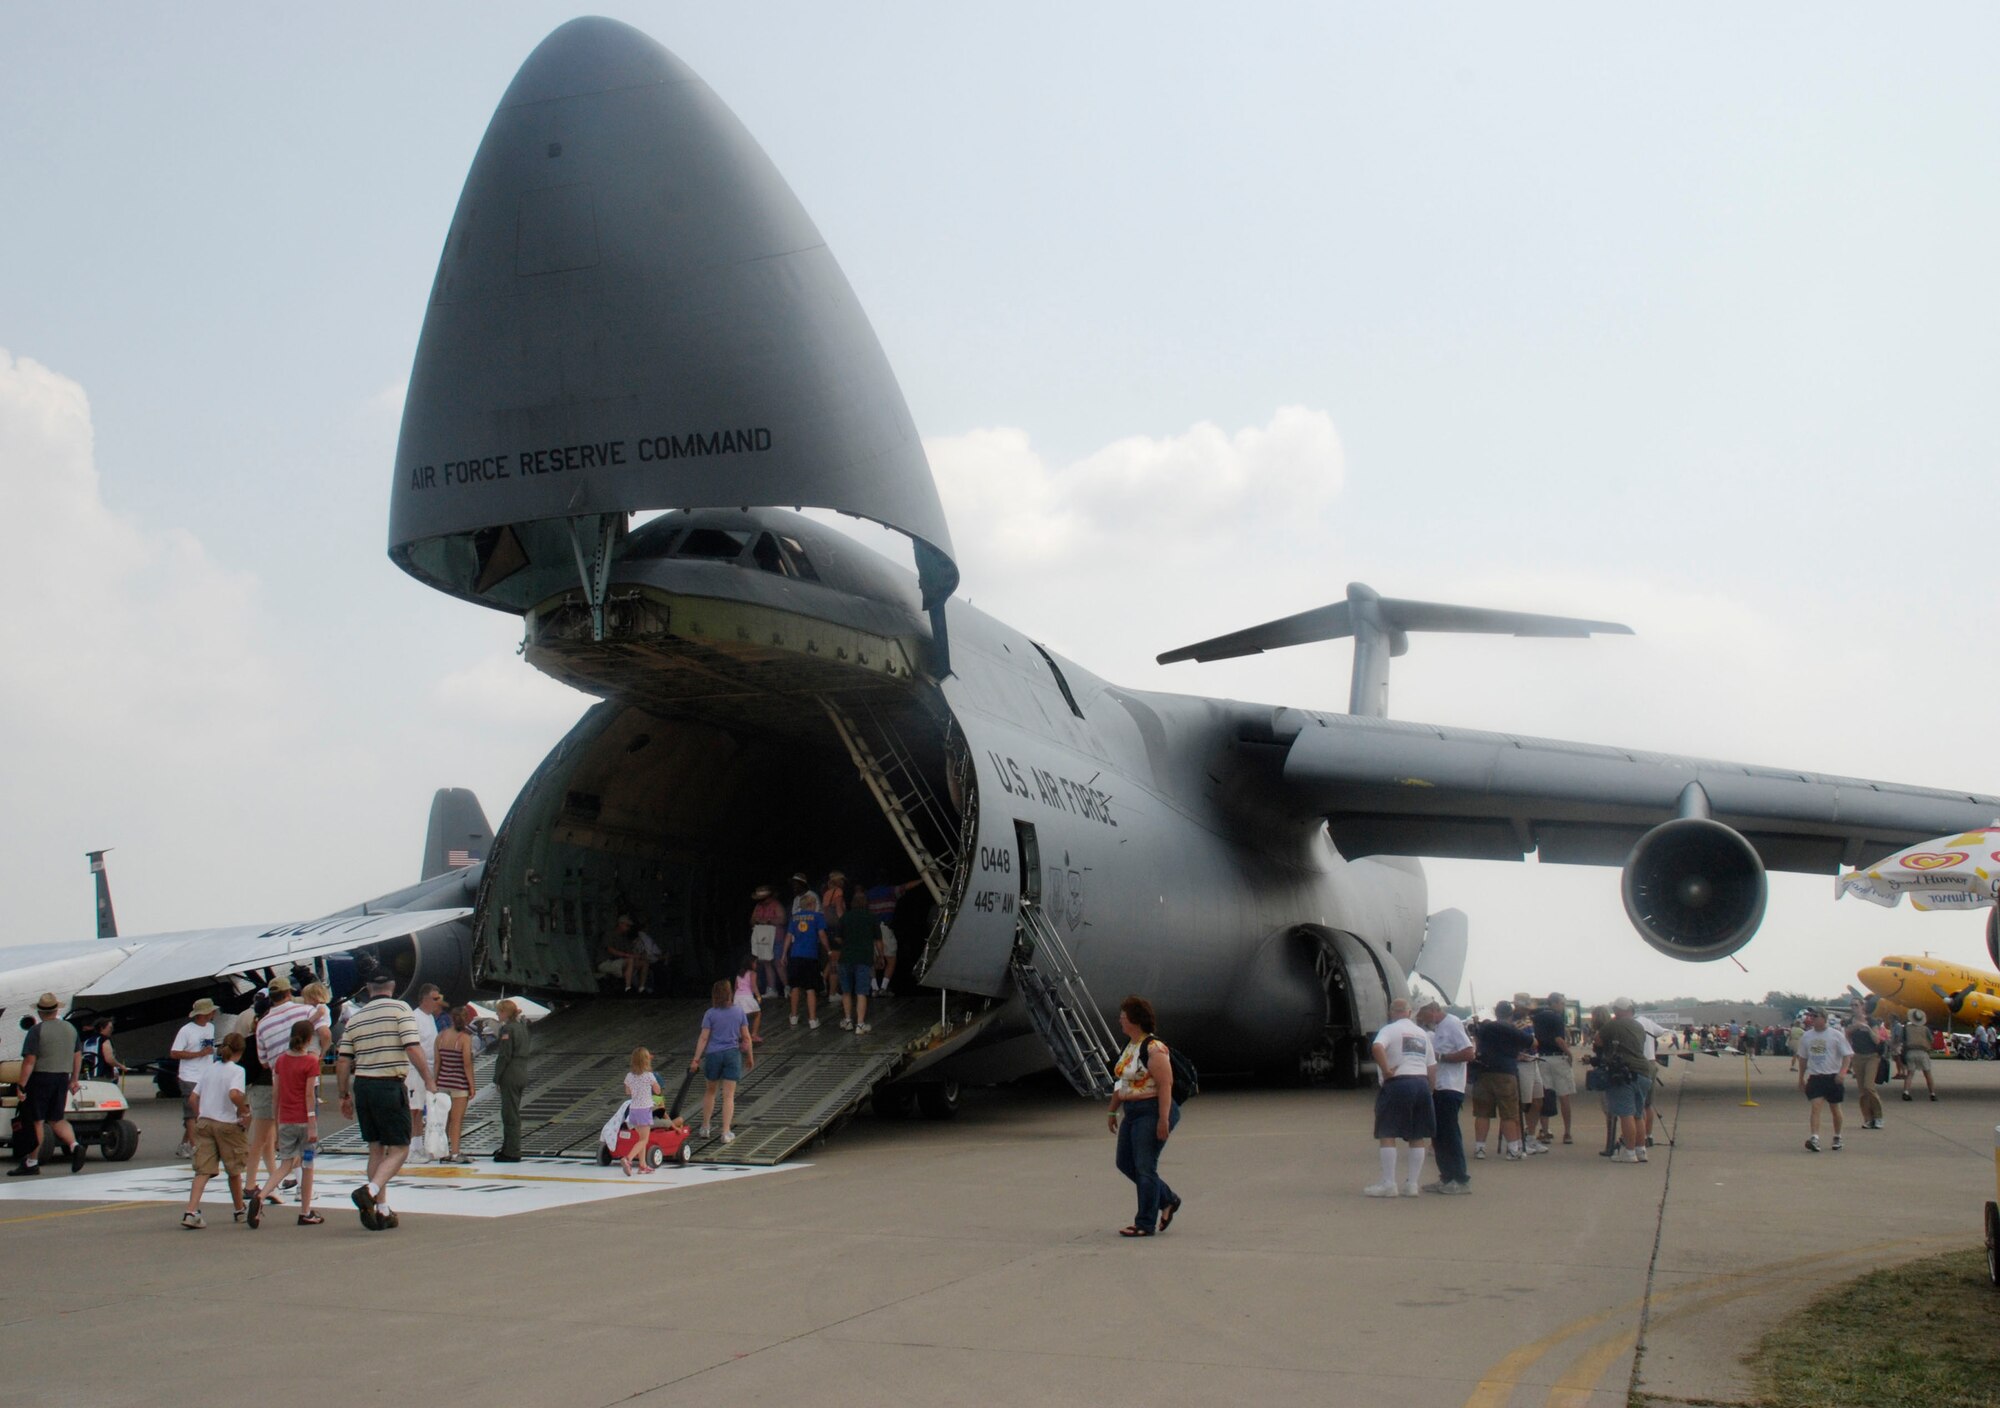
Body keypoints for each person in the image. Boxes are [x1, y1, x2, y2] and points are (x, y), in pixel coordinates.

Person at [334, 969, 434, 1230]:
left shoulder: (356, 1018)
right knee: (400, 1148)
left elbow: (344, 1060)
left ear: (368, 988)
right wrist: (429, 1079)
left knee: (376, 1148)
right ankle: (370, 1190)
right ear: (392, 986)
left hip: (363, 1085)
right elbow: (412, 1046)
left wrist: (343, 1094)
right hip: (389, 1084)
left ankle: (381, 1208)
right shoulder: (401, 1009)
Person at [1106, 995, 1180, 1236]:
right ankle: (1167, 1199)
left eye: (1123, 1017)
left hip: (1151, 1109)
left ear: (1135, 1020)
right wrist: (1112, 1110)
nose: (1120, 1020)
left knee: (1145, 1166)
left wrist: (1163, 1118)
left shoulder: (1154, 1048)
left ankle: (1145, 1223)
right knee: (1125, 1162)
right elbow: (1123, 1082)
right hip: (1133, 1111)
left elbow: (1165, 1085)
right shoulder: (1130, 1046)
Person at [250, 1020, 323, 1227]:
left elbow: (276, 1094)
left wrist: (277, 1119)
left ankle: (262, 1195)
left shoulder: (281, 1061)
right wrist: (311, 1121)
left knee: (285, 1164)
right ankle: (305, 1211)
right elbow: (309, 1094)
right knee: (307, 1164)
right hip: (303, 1120)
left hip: (285, 1120)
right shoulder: (310, 1062)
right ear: (309, 1039)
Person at [1367, 997, 1437, 1197]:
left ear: (1391, 1013)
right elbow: (1432, 1066)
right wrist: (1430, 1089)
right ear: (1409, 1012)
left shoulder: (1390, 1029)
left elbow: (1377, 1047)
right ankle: (1412, 1184)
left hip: (1399, 1082)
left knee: (1387, 1132)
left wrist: (1386, 1070)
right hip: (1421, 1083)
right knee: (1417, 1134)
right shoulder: (1422, 1034)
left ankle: (1389, 1183)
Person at [181, 1031, 251, 1229]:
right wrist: (243, 1110)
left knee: (202, 1170)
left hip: (205, 1121)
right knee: (234, 1169)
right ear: (240, 1051)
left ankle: (191, 1211)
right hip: (226, 1122)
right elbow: (234, 1093)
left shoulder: (210, 1069)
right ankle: (239, 1210)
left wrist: (200, 1114)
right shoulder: (237, 1071)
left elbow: (193, 1098)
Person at [9, 994, 85, 1176]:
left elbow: (29, 1061)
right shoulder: (70, 1029)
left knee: (37, 1120)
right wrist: (74, 1079)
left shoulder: (37, 1031)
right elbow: (77, 1056)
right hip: (61, 1077)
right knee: (57, 1118)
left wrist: (21, 1085)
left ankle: (32, 1161)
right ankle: (75, 1146)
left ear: (40, 1011)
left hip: (41, 1078)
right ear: (57, 1009)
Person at [1417, 996, 1474, 1194]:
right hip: (1440, 1087)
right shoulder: (1439, 1028)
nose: (1421, 1019)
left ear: (1432, 1010)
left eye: (1422, 1014)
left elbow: (1469, 1053)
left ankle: (1460, 1178)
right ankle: (1447, 1177)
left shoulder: (1452, 1023)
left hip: (1451, 1087)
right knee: (1438, 1134)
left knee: (1449, 1134)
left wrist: (1442, 1057)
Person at [691, 980, 753, 1144]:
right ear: (729, 993)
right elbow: (746, 1037)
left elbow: (704, 1038)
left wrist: (696, 1059)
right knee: (728, 1095)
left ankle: (705, 1127)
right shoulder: (739, 1012)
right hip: (732, 1054)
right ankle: (725, 1132)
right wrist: (750, 1056)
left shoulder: (710, 1014)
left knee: (710, 1092)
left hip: (713, 1055)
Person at [1469, 1000, 1532, 1160]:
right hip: (1505, 1072)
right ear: (1510, 1014)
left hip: (1483, 1071)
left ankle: (1480, 1148)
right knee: (1508, 1113)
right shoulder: (1511, 1029)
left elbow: (1476, 1038)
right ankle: (1512, 1149)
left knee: (1482, 1113)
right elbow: (1532, 1042)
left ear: (1496, 1013)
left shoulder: (1484, 1027)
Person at [1599, 998, 1654, 1163]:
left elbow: (1598, 1040)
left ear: (1617, 1010)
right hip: (1644, 1071)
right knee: (1638, 1113)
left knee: (1625, 1114)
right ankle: (1640, 1149)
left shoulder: (1614, 1024)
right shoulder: (1638, 1025)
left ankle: (1628, 1152)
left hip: (1625, 1073)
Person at [168, 997, 221, 1159]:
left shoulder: (210, 1027)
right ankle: (195, 1146)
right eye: (211, 1011)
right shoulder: (186, 1030)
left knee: (201, 1111)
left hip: (206, 1075)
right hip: (189, 1075)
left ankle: (185, 1144)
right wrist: (198, 1054)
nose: (214, 1013)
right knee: (191, 1114)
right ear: (205, 1013)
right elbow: (174, 1052)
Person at [1796, 1007, 1852, 1152]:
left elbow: (1847, 1055)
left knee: (1835, 1108)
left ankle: (1837, 1136)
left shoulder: (1836, 1035)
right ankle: (1815, 1137)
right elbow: (1803, 1058)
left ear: (1824, 1018)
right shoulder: (1806, 1036)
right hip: (1816, 1077)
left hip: (1833, 1077)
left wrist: (1842, 1073)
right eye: (1811, 1016)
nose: (1812, 1018)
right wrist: (1801, 1077)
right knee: (1815, 1107)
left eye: (1815, 1016)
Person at [830, 881, 882, 1034]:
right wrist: (880, 956)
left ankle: (847, 1020)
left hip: (846, 958)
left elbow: (838, 938)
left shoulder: (845, 917)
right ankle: (860, 1024)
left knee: (846, 991)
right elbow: (878, 940)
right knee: (861, 992)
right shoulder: (871, 917)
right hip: (864, 958)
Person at [404, 984, 444, 1159]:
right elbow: (413, 1047)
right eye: (435, 999)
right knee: (414, 1109)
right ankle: (412, 1148)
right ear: (425, 999)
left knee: (421, 1109)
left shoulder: (429, 1018)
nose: (438, 1002)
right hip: (415, 1070)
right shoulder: (415, 1018)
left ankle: (419, 1145)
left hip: (427, 1070)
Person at [433, 1005, 477, 1162]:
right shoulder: (464, 1038)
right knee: (457, 1120)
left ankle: (443, 1152)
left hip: (442, 1083)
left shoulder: (441, 1036)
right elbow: (466, 1063)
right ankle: (456, 1152)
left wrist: (434, 1082)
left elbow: (437, 1062)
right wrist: (471, 1085)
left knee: (444, 1120)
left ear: (451, 1019)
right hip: (459, 1085)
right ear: (466, 1019)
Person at [492, 998, 533, 1162]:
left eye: (499, 1011)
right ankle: (509, 1147)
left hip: (510, 1073)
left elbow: (504, 1056)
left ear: (504, 1012)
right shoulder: (522, 1028)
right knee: (513, 1111)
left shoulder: (507, 1029)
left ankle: (511, 1150)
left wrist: (497, 1077)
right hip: (521, 1071)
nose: (497, 1014)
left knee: (509, 1114)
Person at [1533, 992, 1575, 1145]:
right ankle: (1567, 1132)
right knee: (1564, 1095)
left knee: (1545, 1095)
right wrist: (1569, 1053)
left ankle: (1545, 1130)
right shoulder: (1557, 1018)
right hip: (1558, 1057)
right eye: (1562, 1004)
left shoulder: (1537, 1018)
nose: (1563, 1007)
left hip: (1542, 1057)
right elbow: (1558, 1039)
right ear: (1555, 1003)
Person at [864, 879, 918, 995]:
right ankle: (883, 988)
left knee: (871, 960)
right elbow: (906, 886)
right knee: (891, 959)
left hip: (870, 928)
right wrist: (924, 879)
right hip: (884, 927)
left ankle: (874, 988)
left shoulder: (868, 893)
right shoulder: (890, 891)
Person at [784, 897, 828, 1030]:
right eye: (815, 903)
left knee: (795, 986)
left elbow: (788, 937)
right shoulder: (817, 917)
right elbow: (822, 935)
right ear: (811, 904)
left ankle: (793, 1016)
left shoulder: (794, 917)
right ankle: (813, 1019)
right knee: (810, 988)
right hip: (810, 955)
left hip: (795, 955)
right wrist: (828, 950)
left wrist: (783, 954)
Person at [620, 1047, 664, 1174]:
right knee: (644, 1139)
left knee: (640, 1138)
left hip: (633, 1110)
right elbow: (658, 1091)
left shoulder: (629, 1076)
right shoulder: (649, 1076)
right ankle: (628, 1159)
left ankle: (643, 1165)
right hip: (644, 1110)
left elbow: (628, 1091)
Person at [1845, 1007, 1885, 1131]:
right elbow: (1846, 1036)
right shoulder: (1849, 1022)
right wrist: (1856, 1026)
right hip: (1858, 1056)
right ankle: (1867, 1118)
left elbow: (1877, 1040)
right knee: (1862, 1091)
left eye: (1856, 1004)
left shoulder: (1871, 1021)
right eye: (1852, 1005)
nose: (1854, 1007)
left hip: (1872, 1056)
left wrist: (1867, 1028)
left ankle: (1878, 1116)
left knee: (1869, 1086)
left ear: (1863, 1006)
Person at [749, 885, 786, 998]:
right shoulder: (758, 906)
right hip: (764, 939)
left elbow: (783, 919)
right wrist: (756, 920)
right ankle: (771, 989)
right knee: (766, 963)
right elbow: (751, 921)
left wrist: (768, 920)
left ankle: (787, 987)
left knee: (778, 963)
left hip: (776, 938)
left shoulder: (776, 905)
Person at [1900, 1008, 1937, 1101]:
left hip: (1910, 1052)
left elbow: (1902, 1040)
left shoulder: (1907, 1028)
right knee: (1927, 1073)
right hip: (1923, 1052)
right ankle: (1932, 1093)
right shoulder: (1925, 1029)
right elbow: (1932, 1040)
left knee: (1910, 1074)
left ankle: (1906, 1092)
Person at [80, 1016, 122, 1081]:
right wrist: (120, 1066)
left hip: (88, 1075)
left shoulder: (87, 1041)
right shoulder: (104, 1040)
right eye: (110, 1028)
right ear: (102, 1028)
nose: (112, 1030)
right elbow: (109, 1059)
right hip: (102, 1075)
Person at [733, 957, 764, 1044]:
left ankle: (740, 1035)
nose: (756, 965)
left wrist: (733, 999)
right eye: (755, 963)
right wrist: (758, 996)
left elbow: (736, 987)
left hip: (737, 997)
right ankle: (753, 1035)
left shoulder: (739, 974)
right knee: (757, 1013)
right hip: (747, 997)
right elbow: (753, 986)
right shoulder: (752, 973)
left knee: (741, 1017)